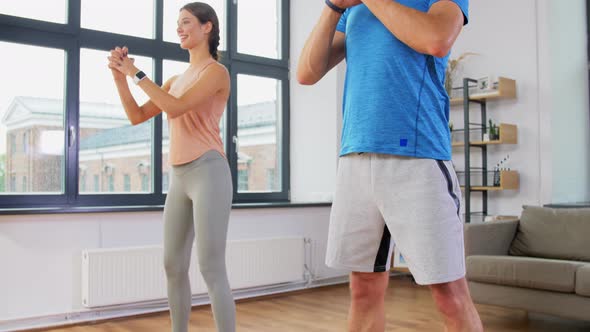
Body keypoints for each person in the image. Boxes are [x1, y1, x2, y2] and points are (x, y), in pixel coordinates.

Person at [297, 0, 483, 331]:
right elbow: (307, 72)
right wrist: (332, 7)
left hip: (418, 156)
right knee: (363, 289)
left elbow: (437, 38)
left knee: (449, 294)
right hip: (356, 156)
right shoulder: (353, 10)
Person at [107, 3, 235, 332]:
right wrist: (120, 76)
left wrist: (135, 72)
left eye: (186, 22)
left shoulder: (216, 72)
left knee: (210, 266)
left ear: (207, 27)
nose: (179, 28)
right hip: (179, 177)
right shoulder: (175, 79)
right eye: (177, 23)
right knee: (173, 265)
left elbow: (175, 108)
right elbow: (137, 116)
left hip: (209, 172)